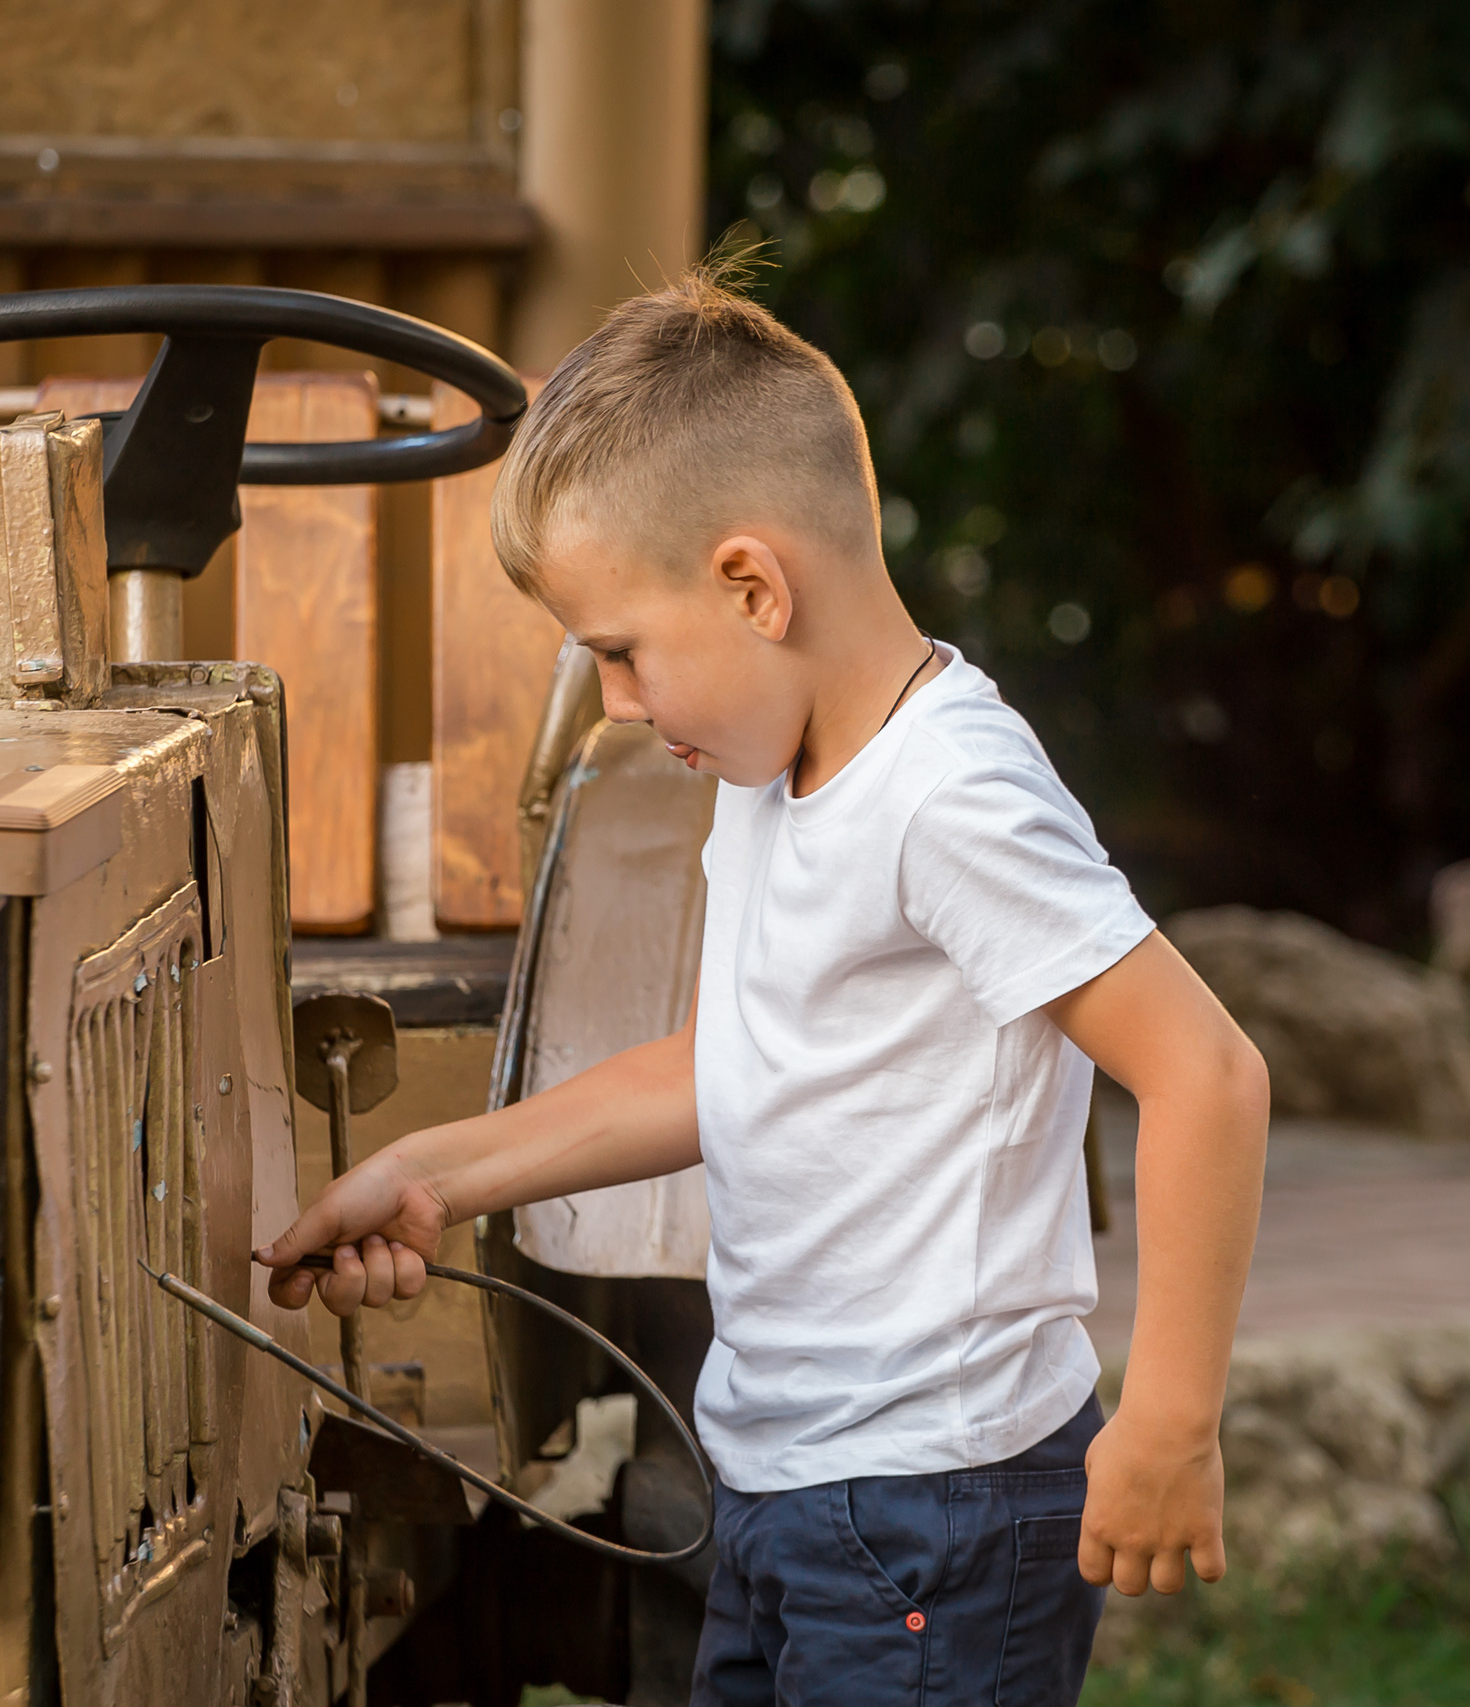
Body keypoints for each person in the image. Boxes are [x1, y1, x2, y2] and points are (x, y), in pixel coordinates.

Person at [256, 261, 1269, 1707]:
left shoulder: (948, 795)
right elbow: (729, 1062)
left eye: (620, 653)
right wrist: (431, 1169)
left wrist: (1169, 1422)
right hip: (790, 1486)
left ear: (751, 585)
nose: (614, 701)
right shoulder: (774, 774)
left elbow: (1205, 1073)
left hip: (939, 1511)